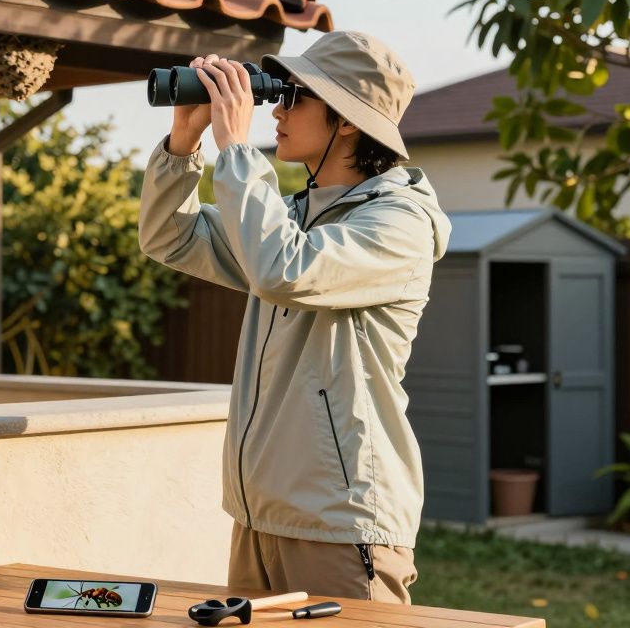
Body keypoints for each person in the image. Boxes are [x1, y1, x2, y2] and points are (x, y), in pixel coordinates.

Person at [138, 31, 452, 604]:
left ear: (349, 120)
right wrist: (184, 145)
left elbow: (283, 270)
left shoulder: (398, 225)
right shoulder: (291, 216)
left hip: (339, 521)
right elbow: (171, 238)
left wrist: (236, 149)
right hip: (258, 516)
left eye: (295, 96)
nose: (275, 110)